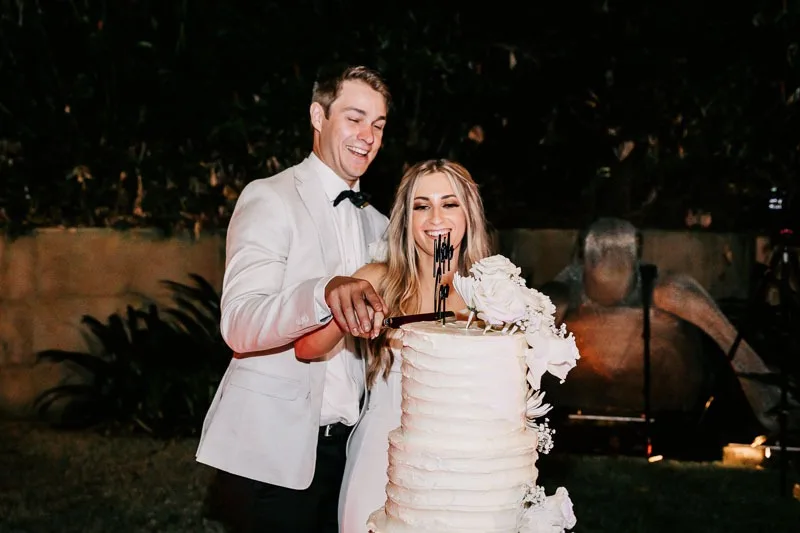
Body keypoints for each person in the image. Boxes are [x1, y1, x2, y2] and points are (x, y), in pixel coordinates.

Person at [195, 65, 392, 533]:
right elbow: (239, 322)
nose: (367, 136)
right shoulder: (270, 198)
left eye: (379, 125)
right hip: (273, 452)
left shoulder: (381, 226)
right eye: (355, 118)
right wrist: (323, 293)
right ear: (318, 116)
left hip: (351, 456)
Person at [294, 159, 493, 533]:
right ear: (406, 217)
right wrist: (343, 312)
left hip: (469, 472)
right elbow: (307, 349)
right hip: (383, 462)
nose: (436, 217)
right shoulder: (376, 280)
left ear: (469, 213)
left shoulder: (494, 292)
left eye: (449, 204)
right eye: (422, 206)